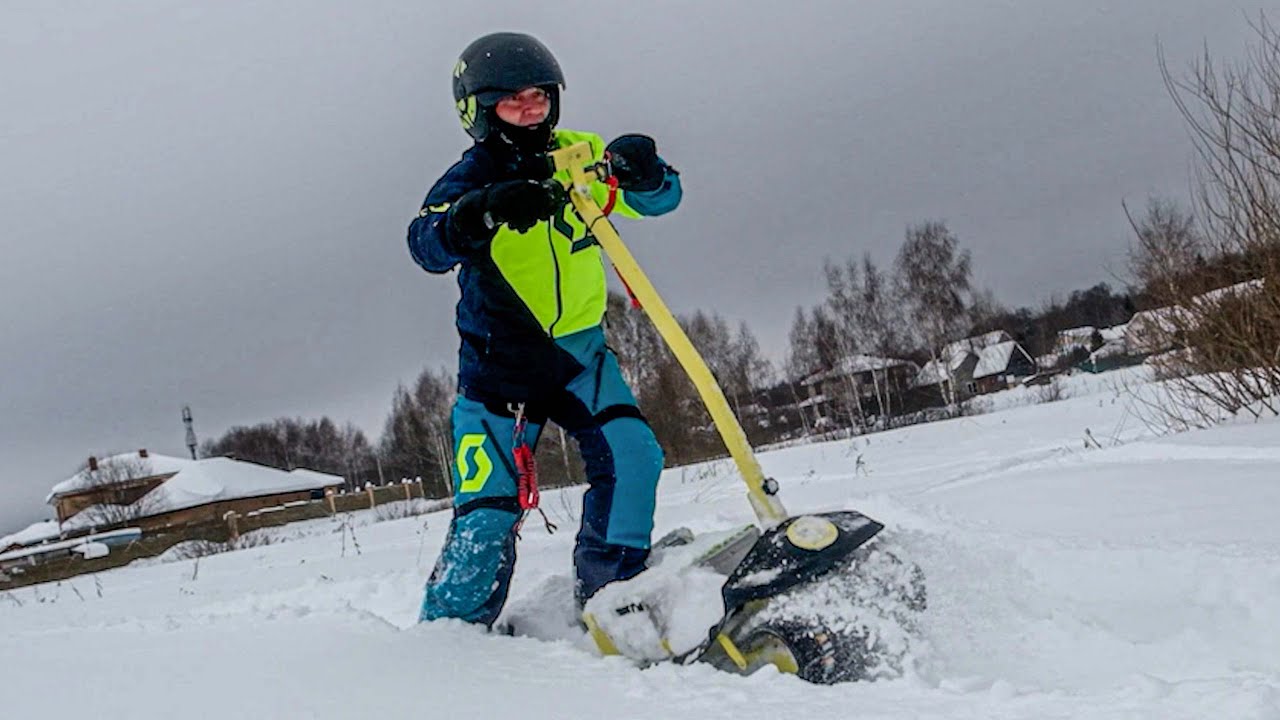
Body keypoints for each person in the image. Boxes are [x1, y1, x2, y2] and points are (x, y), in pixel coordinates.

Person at [407, 32, 683, 627]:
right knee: (488, 515)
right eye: (512, 100)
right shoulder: (469, 177)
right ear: (479, 109)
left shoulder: (579, 156)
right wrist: (480, 211)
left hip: (582, 359)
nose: (530, 110)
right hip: (499, 371)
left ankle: (611, 590)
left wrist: (648, 172)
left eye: (539, 96)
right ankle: (448, 634)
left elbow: (660, 201)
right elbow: (425, 243)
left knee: (634, 458)